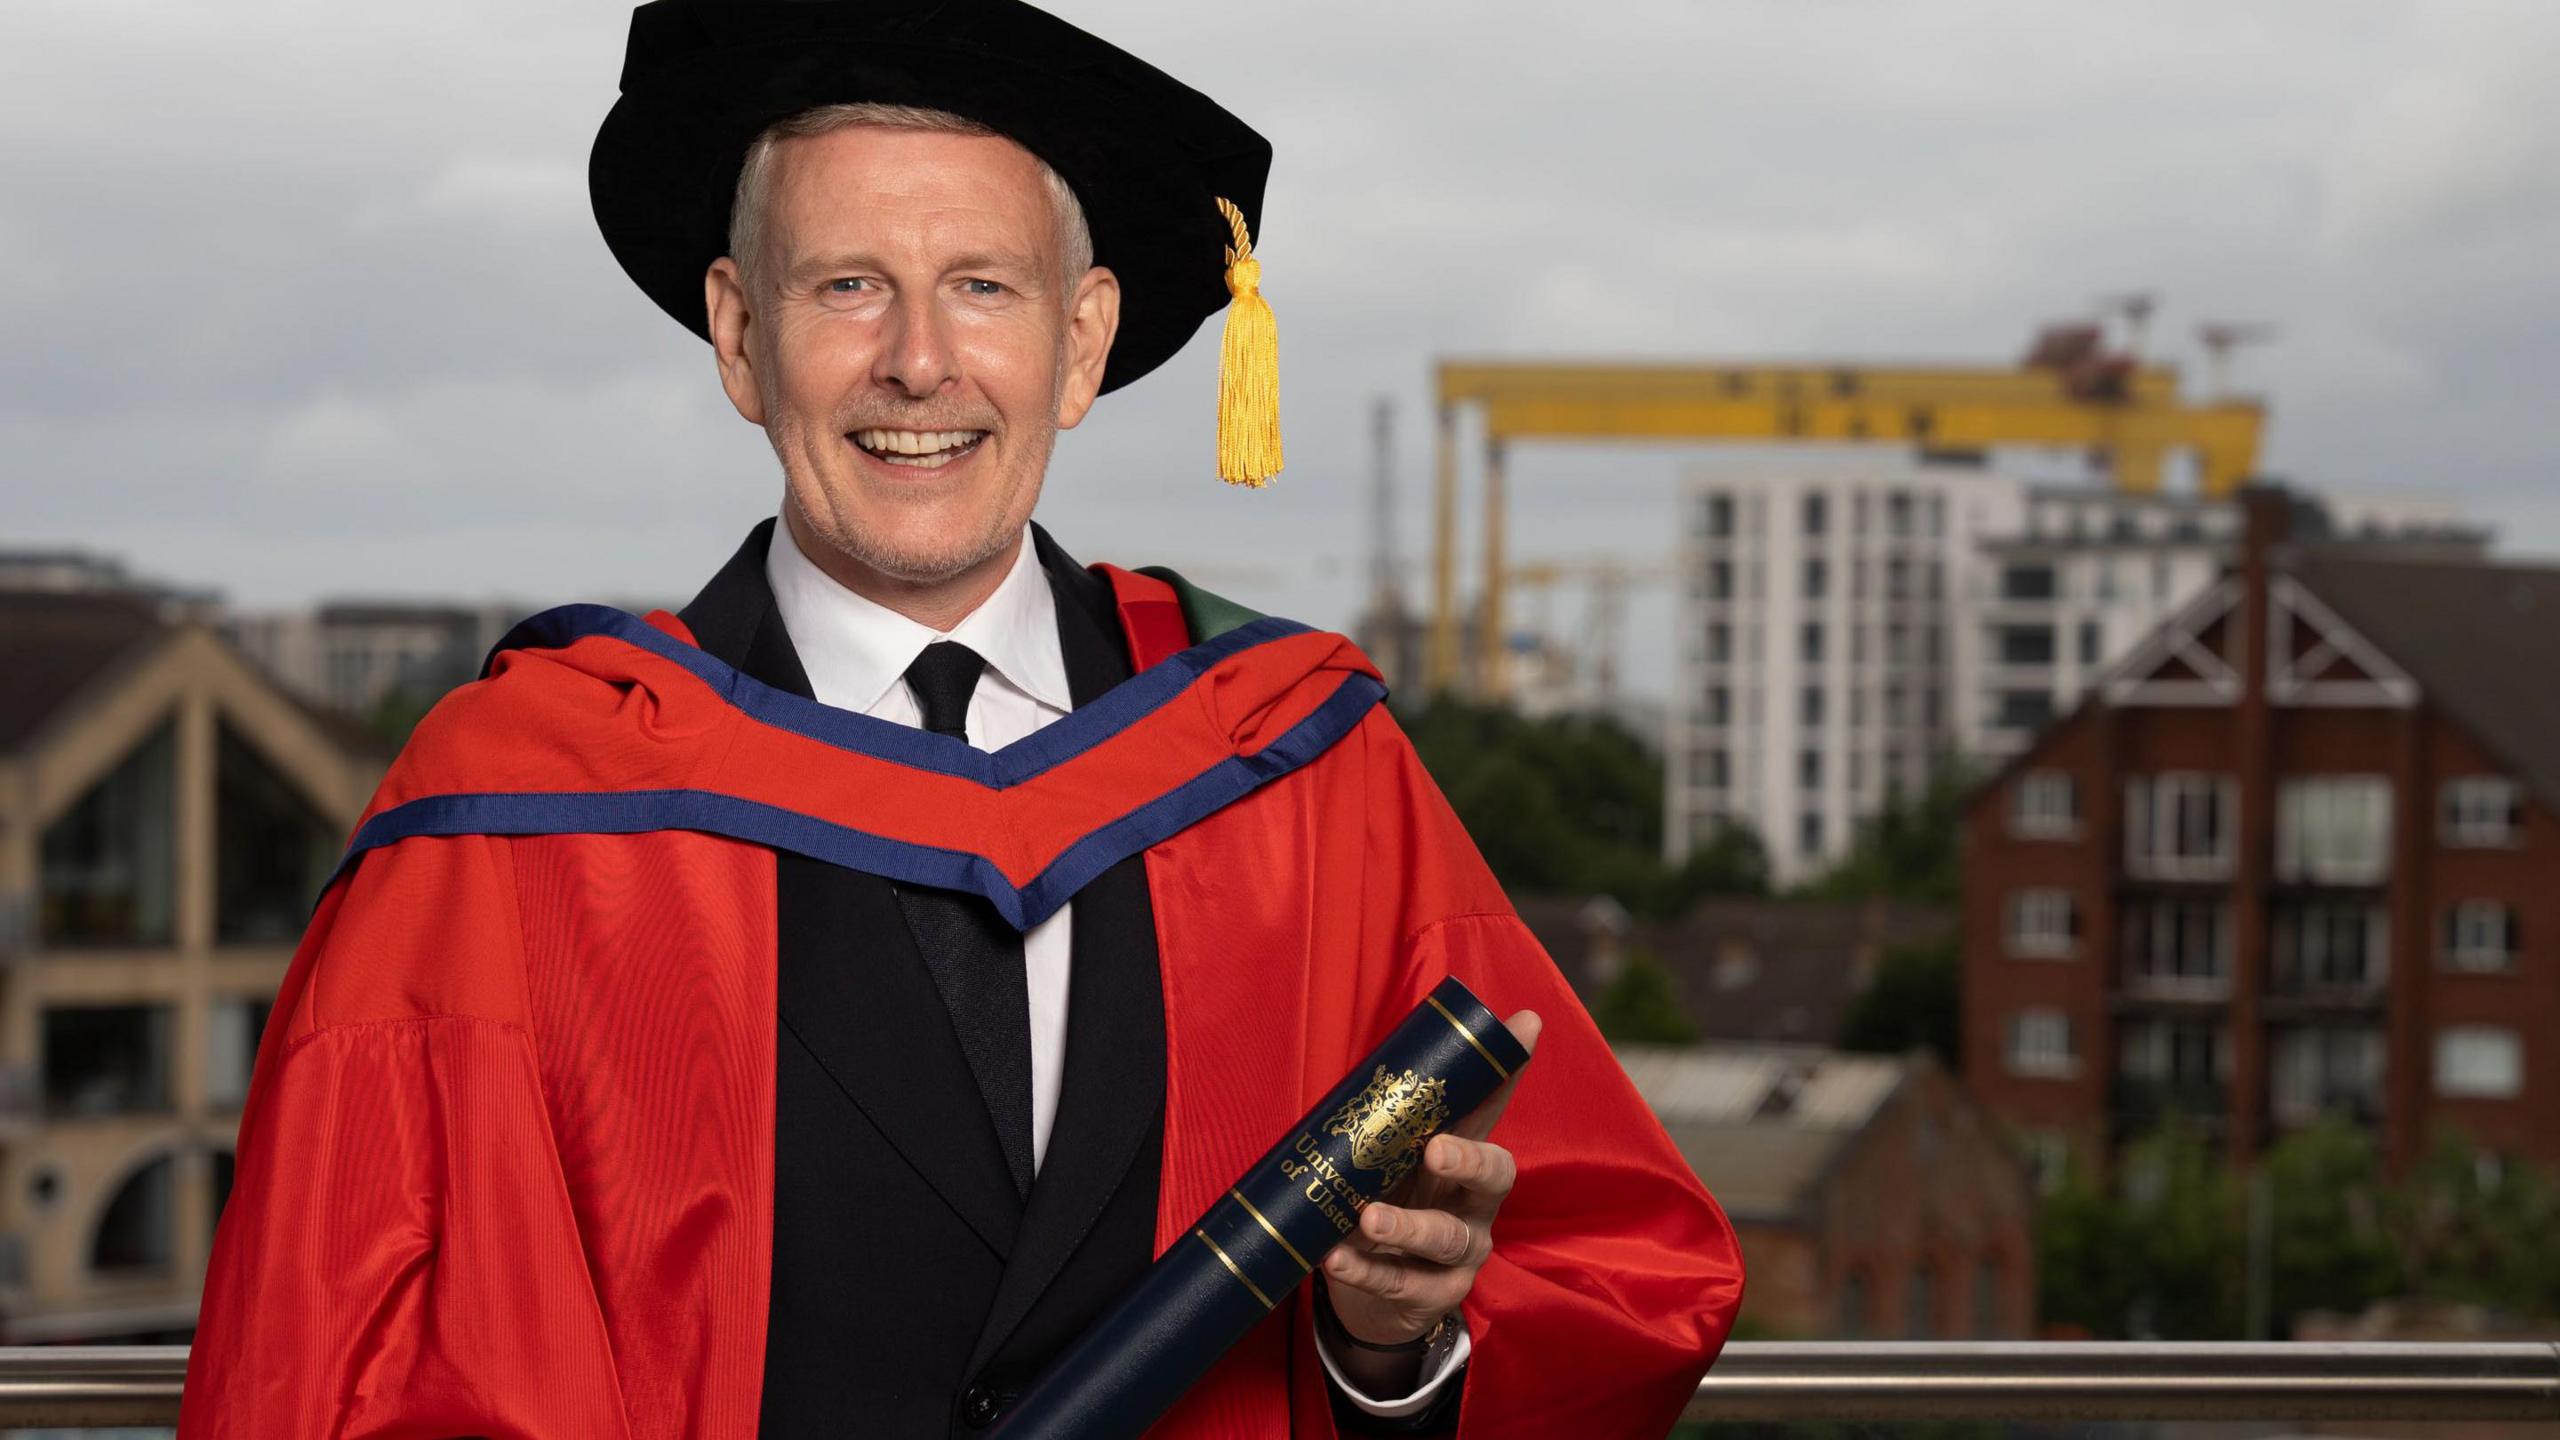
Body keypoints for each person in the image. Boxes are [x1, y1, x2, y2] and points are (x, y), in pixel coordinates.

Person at [177, 1, 1744, 1435]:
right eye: (847, 285)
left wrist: (1391, 1350)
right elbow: (343, 1362)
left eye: (982, 288)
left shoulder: (1294, 769)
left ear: (1080, 343)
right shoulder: (519, 815)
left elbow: (1616, 1275)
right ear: (740, 337)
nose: (918, 362)